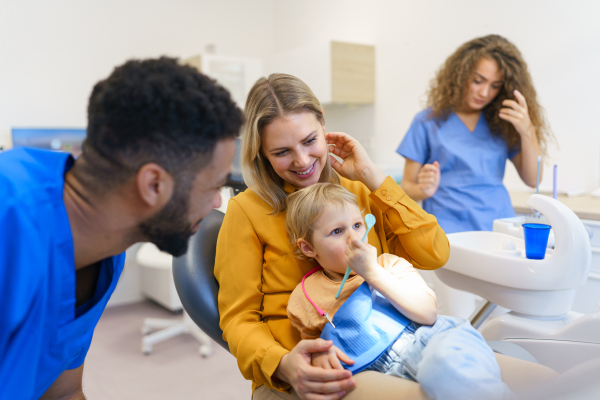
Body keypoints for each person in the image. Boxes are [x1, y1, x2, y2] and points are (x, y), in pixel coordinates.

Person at [214, 73, 554, 400]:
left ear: (323, 125)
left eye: (309, 141)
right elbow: (238, 320)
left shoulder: (359, 187)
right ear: (261, 152)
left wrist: (373, 178)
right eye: (281, 152)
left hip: (403, 338)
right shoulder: (247, 211)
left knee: (549, 384)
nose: (302, 161)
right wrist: (284, 364)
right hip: (320, 369)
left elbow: (435, 253)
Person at [0, 57, 244, 399]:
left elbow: (62, 392)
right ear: (154, 185)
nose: (217, 202)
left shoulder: (105, 254)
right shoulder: (9, 217)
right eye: (212, 187)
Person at [285, 183, 512, 400]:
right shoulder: (304, 298)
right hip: (388, 372)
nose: (354, 238)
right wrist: (322, 353)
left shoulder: (388, 264)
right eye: (336, 231)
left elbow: (427, 313)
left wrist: (372, 272)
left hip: (437, 340)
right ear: (308, 248)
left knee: (441, 367)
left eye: (357, 225)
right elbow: (312, 347)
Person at [397, 34, 552, 234]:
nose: (485, 93)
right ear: (460, 75)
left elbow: (533, 179)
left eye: (495, 85)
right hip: (447, 230)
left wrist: (527, 129)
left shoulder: (501, 122)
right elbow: (406, 187)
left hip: (498, 226)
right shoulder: (427, 121)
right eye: (478, 81)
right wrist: (424, 190)